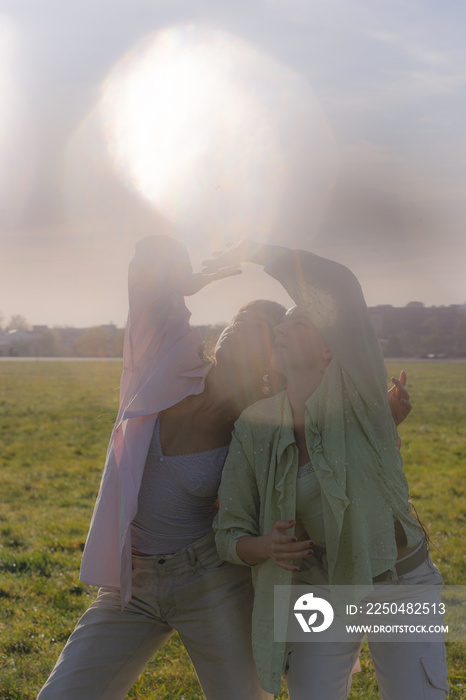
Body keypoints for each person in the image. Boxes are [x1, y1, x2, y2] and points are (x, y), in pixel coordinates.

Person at [38, 235, 411, 700]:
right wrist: (180, 277)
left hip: (212, 584)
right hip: (131, 585)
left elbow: (332, 448)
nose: (243, 326)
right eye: (242, 317)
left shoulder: (261, 425)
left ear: (273, 355)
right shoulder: (166, 364)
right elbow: (147, 266)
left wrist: (382, 420)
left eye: (261, 327)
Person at [212, 241, 449, 699]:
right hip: (317, 586)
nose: (281, 329)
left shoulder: (359, 399)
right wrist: (265, 545)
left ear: (328, 350)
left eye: (298, 323)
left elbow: (340, 289)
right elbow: (229, 532)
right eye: (280, 324)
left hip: (400, 585)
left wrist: (260, 248)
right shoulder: (253, 427)